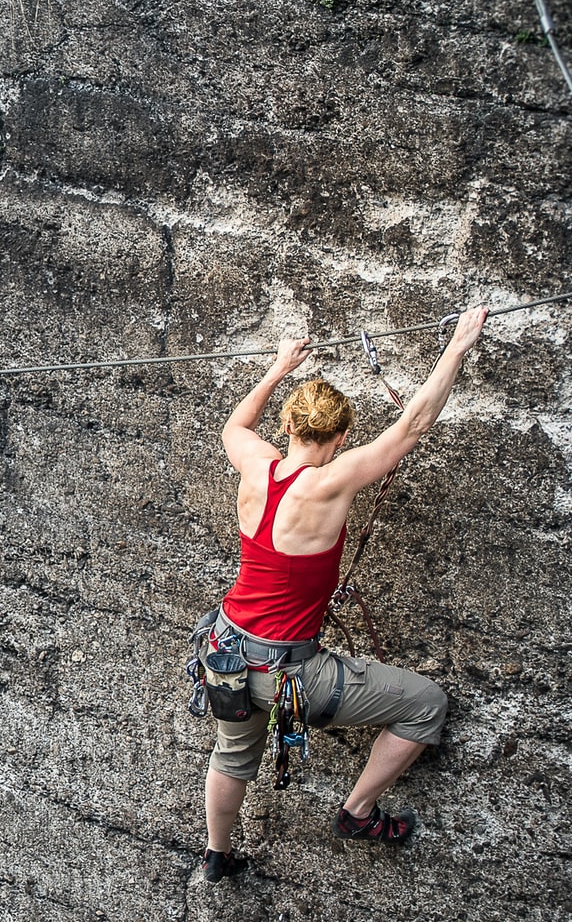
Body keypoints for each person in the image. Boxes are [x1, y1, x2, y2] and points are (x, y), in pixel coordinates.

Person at [200, 308, 488, 882]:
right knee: (425, 703)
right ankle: (357, 813)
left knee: (231, 755)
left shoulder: (254, 463)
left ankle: (216, 854)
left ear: (286, 426)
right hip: (289, 672)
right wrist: (456, 346)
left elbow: (234, 425)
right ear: (341, 437)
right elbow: (412, 426)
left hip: (225, 651)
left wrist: (279, 367)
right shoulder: (332, 481)